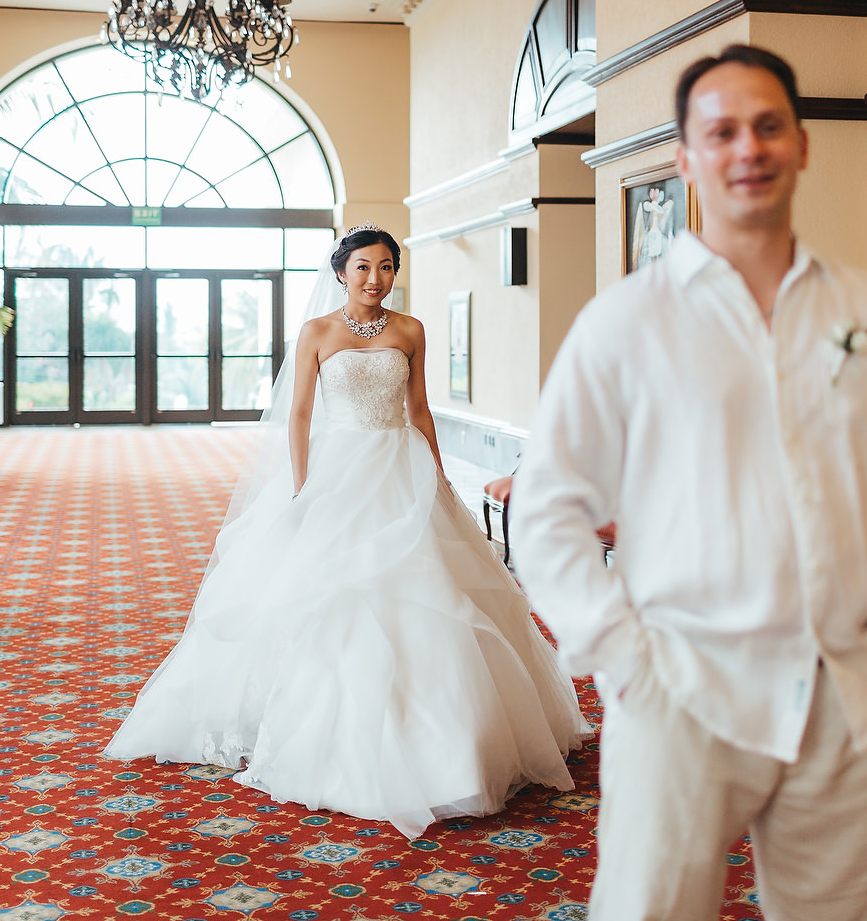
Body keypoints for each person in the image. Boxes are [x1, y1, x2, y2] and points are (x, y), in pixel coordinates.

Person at [511, 45, 867, 920]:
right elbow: (548, 509)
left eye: (768, 127)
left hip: (850, 691)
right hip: (681, 685)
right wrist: (622, 658)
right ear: (685, 157)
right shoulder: (625, 321)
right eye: (720, 132)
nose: (747, 149)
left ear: (803, 144)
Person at [106, 223, 589, 840]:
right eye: (363, 266)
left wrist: (437, 476)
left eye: (386, 267)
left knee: (427, 589)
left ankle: (443, 736)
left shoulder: (410, 329)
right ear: (341, 272)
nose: (375, 279)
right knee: (324, 589)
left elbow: (419, 408)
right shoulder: (318, 332)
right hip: (339, 468)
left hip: (399, 466)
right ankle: (309, 724)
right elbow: (301, 412)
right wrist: (301, 485)